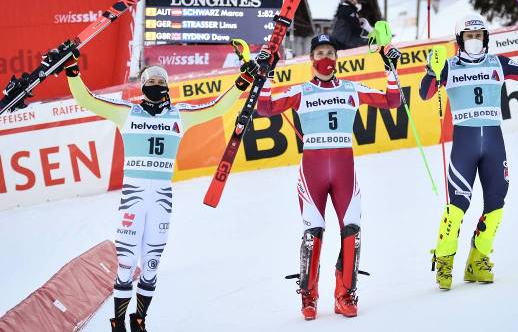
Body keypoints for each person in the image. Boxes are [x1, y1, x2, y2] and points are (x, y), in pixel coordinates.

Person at [63, 44, 255, 331]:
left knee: (151, 265)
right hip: (133, 199)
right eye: (149, 82)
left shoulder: (180, 115)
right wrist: (72, 70)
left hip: (162, 200)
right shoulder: (127, 113)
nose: (155, 86)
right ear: (142, 87)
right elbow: (85, 99)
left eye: (159, 82)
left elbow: (218, 108)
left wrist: (244, 81)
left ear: (167, 87)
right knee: (126, 265)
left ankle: (139, 320)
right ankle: (118, 323)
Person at [255, 34, 401, 320]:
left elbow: (392, 101)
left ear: (337, 58)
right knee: (313, 234)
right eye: (320, 53)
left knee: (352, 231)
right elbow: (265, 108)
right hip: (313, 171)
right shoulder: (302, 90)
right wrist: (268, 74)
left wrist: (390, 67)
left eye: (331, 53)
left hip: (345, 170)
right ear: (311, 59)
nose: (326, 59)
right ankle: (308, 298)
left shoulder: (351, 88)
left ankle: (345, 295)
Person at [420, 13, 518, 290]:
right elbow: (425, 94)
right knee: (458, 205)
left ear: (486, 38)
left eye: (478, 36)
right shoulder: (450, 65)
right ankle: (444, 259)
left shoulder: (497, 62)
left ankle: (477, 260)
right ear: (460, 40)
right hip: (464, 144)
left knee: (496, 203)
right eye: (468, 36)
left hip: (494, 142)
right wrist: (432, 71)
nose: (474, 41)